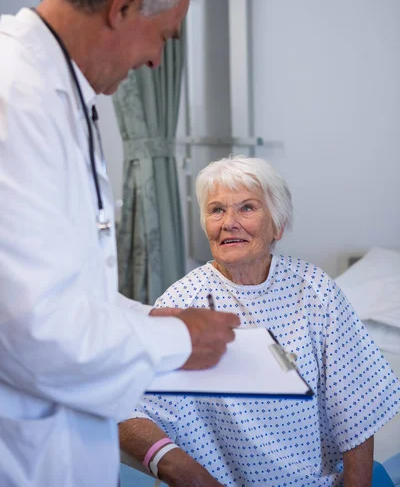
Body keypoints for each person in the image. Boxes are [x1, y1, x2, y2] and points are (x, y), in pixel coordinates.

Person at [0, 0, 240, 487]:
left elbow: (58, 282)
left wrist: (149, 315)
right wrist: (179, 337)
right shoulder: (16, 98)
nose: (158, 60)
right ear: (126, 4)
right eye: (164, 35)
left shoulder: (58, 92)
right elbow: (36, 333)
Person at [119, 155, 400, 487]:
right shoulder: (183, 301)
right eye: (216, 210)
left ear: (278, 226)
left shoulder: (314, 291)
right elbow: (126, 406)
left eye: (247, 208)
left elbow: (355, 408)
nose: (229, 222)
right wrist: (187, 475)